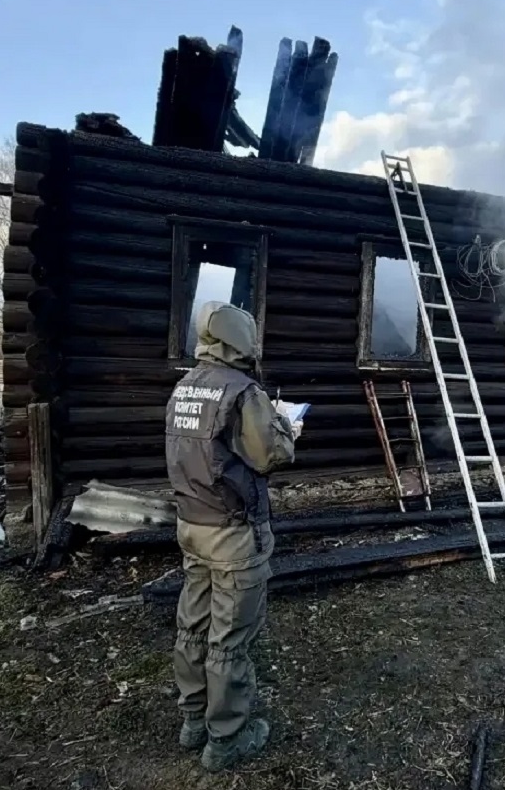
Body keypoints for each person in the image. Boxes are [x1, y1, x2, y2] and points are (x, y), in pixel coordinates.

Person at [166, 300, 300, 772]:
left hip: (191, 526)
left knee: (193, 626)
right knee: (229, 640)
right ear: (241, 340)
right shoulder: (243, 392)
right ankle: (228, 738)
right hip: (232, 533)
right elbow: (270, 457)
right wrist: (288, 429)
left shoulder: (185, 387)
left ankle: (192, 721)